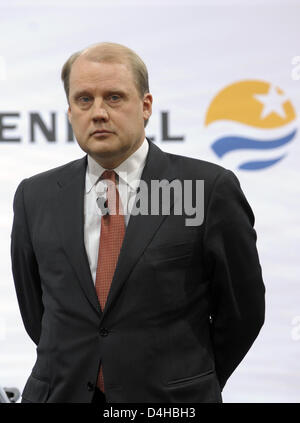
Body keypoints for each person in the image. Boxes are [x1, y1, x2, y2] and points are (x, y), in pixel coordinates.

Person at [11, 42, 265, 403]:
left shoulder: (206, 189)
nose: (98, 112)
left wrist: (189, 380)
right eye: (84, 100)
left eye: (114, 97)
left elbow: (243, 312)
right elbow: (36, 312)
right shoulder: (34, 196)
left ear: (145, 106)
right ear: (69, 111)